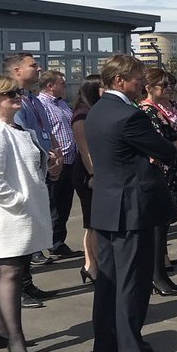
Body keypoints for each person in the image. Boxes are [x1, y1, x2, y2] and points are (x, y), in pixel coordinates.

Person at [84, 54, 177, 352]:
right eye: (136, 77)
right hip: (130, 208)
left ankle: (107, 345)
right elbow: (164, 150)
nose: (141, 82)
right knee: (132, 283)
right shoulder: (129, 116)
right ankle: (133, 351)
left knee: (109, 281)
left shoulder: (97, 111)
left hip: (107, 207)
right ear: (118, 81)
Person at [0, 74, 55, 352]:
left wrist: (46, 164)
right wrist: (19, 202)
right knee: (11, 273)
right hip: (8, 218)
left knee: (4, 273)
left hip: (19, 215)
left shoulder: (13, 127)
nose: (18, 96)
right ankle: (15, 339)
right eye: (10, 93)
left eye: (17, 92)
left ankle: (1, 329)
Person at [138, 68, 177, 297]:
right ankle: (156, 276)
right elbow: (160, 146)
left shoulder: (167, 109)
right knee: (158, 227)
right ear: (149, 88)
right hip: (161, 171)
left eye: (171, 84)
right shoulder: (147, 111)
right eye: (164, 85)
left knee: (165, 225)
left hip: (173, 169)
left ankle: (161, 273)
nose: (170, 88)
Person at [36, 69, 79, 262]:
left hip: (70, 161)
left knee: (63, 205)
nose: (65, 85)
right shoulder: (41, 105)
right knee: (51, 205)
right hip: (54, 163)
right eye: (61, 82)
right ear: (50, 86)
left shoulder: (62, 104)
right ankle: (41, 246)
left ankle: (58, 243)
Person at [70, 75, 103, 283]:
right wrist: (93, 175)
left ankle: (90, 266)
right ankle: (94, 265)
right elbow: (85, 150)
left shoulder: (93, 112)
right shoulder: (81, 115)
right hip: (87, 173)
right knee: (93, 223)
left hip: (95, 171)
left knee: (93, 223)